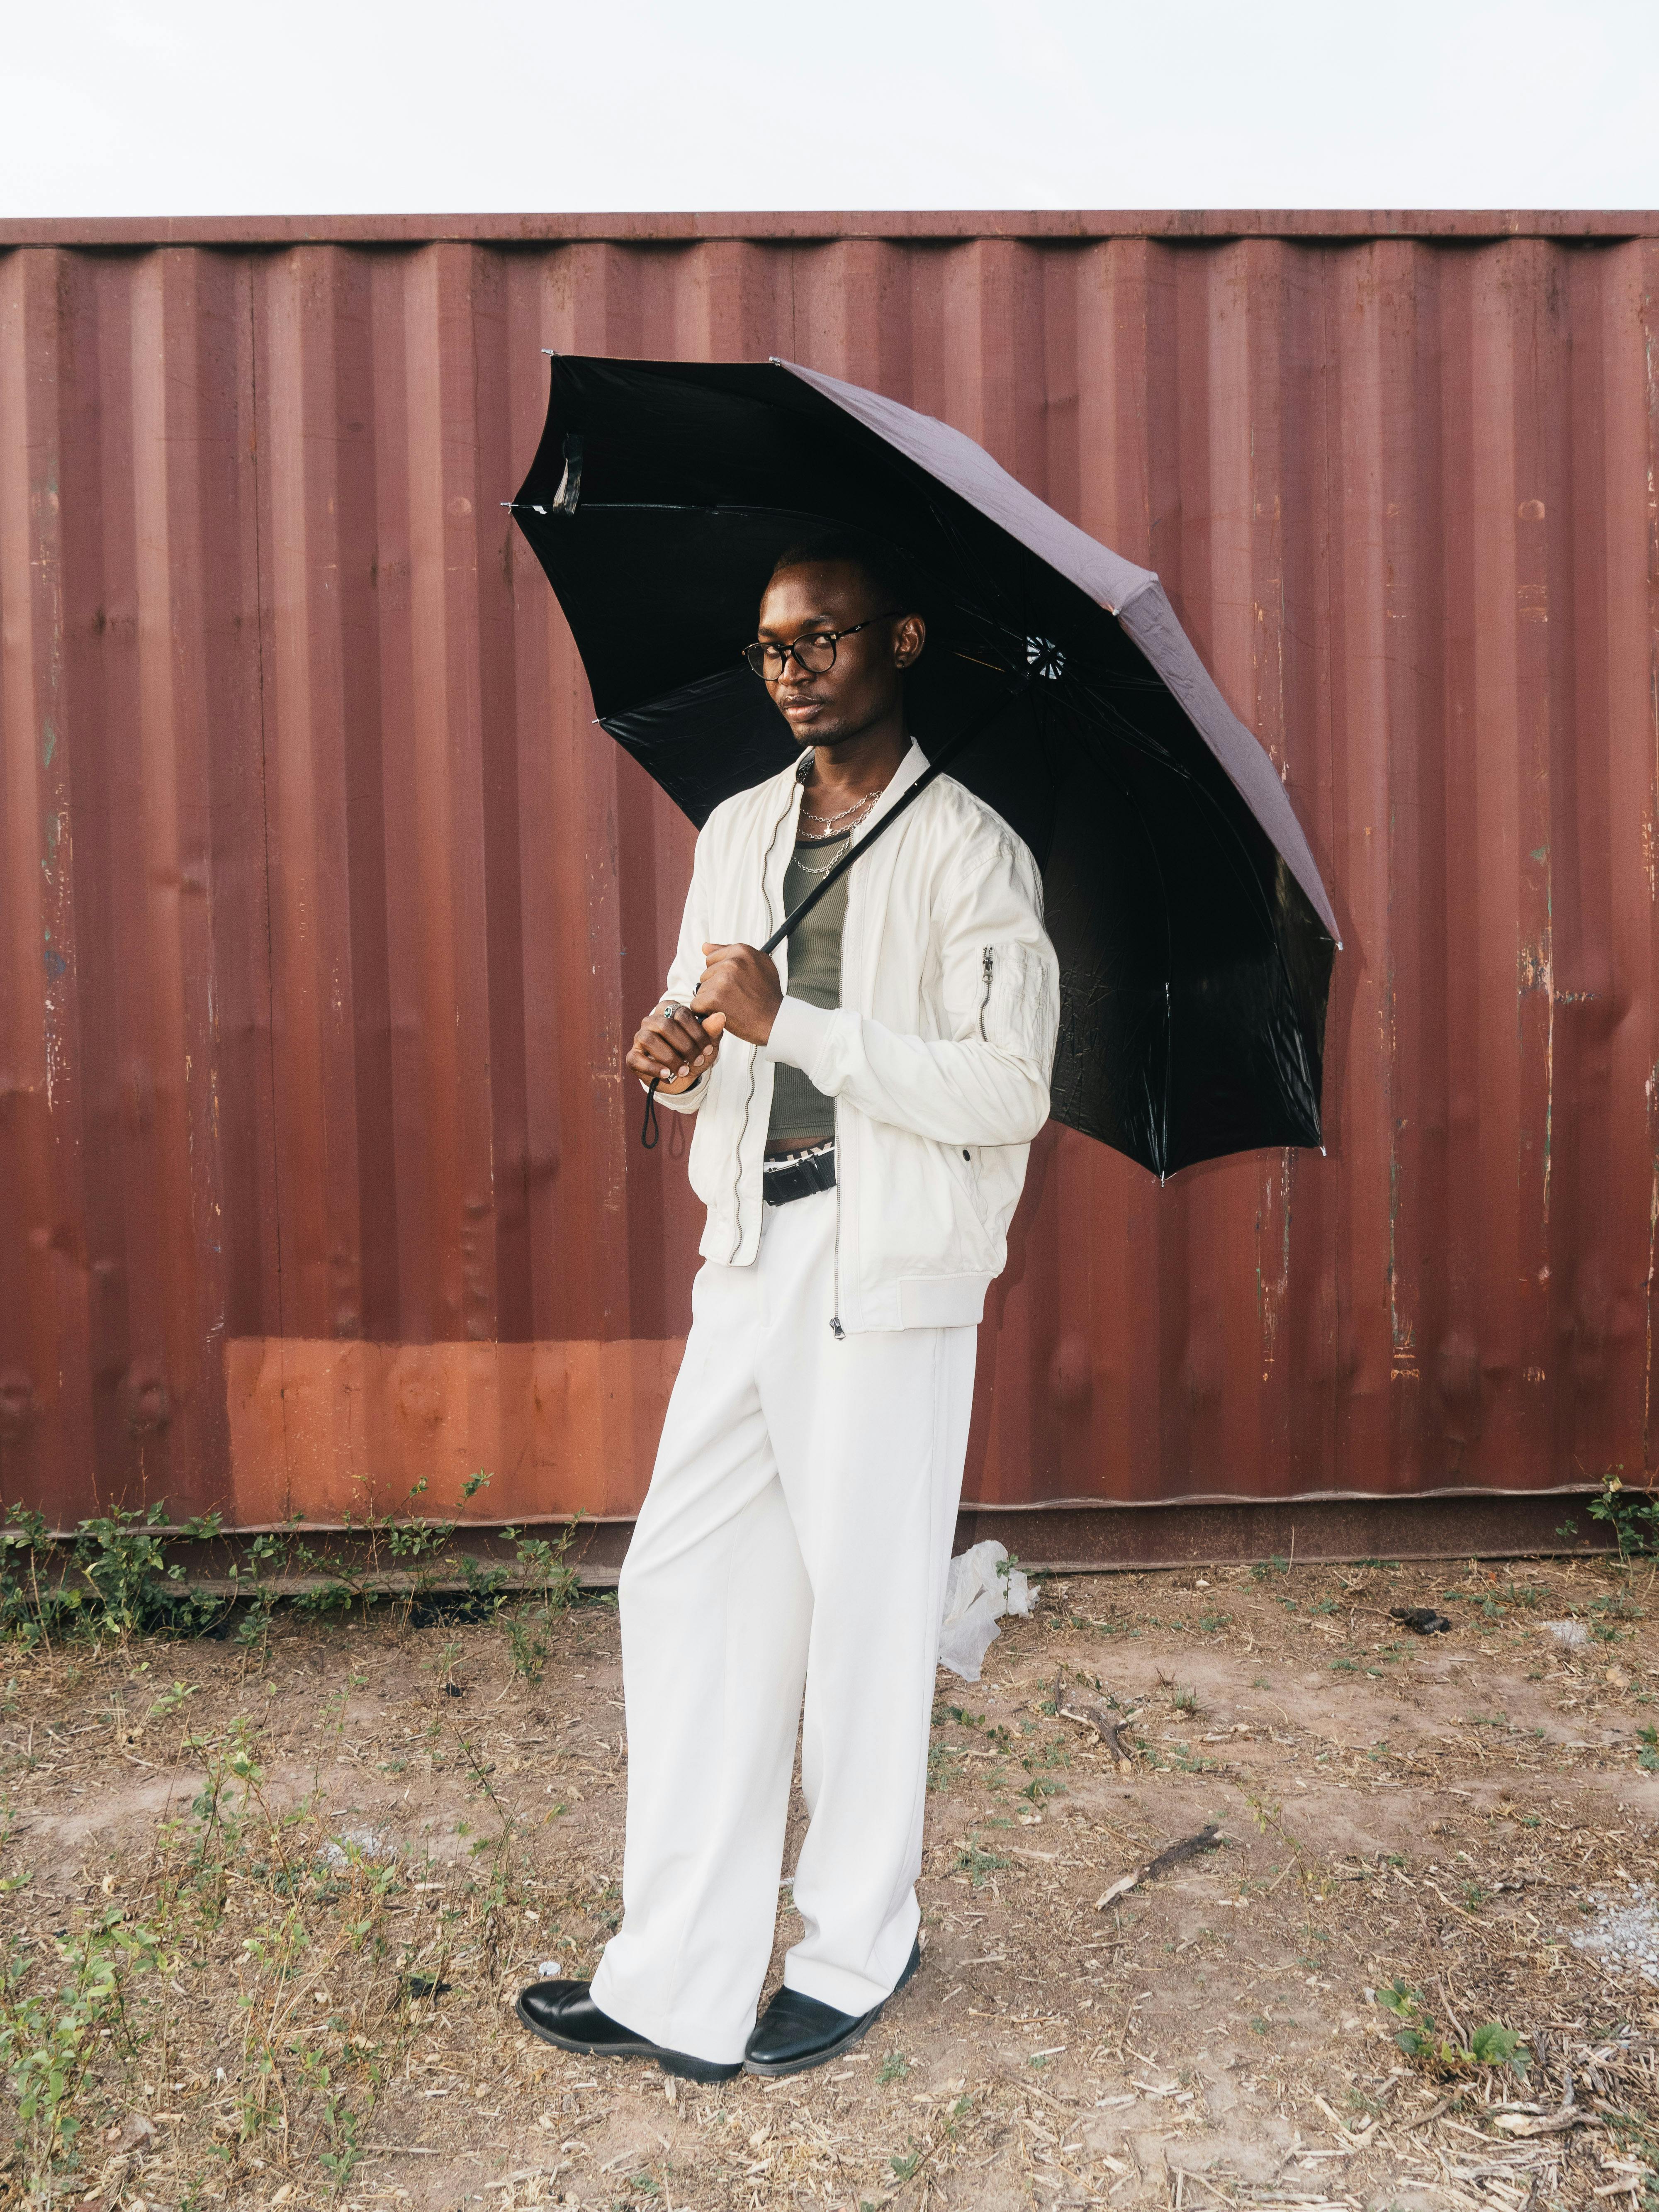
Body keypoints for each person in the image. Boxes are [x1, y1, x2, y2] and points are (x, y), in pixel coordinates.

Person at [515, 534, 1059, 2081]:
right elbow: (715, 1026)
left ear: (902, 642)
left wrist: (796, 1023)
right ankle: (672, 1972)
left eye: (824, 639)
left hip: (886, 1276)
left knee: (866, 1621)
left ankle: (854, 1948)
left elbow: (1010, 1090)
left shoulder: (974, 852)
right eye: (771, 647)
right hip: (751, 1252)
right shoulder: (744, 827)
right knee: (683, 1583)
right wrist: (679, 1059)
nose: (793, 669)